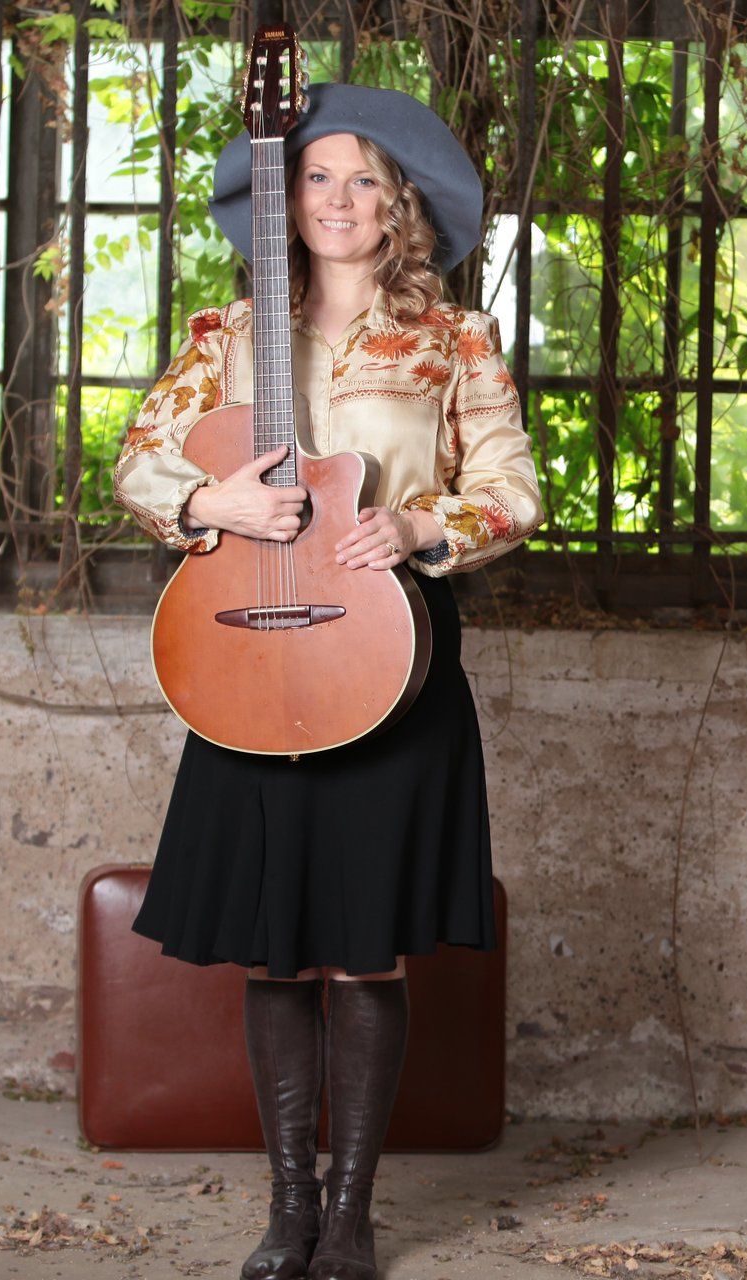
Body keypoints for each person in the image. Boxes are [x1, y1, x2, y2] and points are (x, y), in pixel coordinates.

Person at [110, 83, 543, 1280]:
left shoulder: (452, 340)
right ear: (281, 196)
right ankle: (284, 1206)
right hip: (247, 644)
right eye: (316, 177)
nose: (338, 200)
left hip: (388, 652)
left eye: (363, 179)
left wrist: (414, 525)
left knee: (365, 948)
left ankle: (351, 1211)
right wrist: (217, 500)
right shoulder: (226, 334)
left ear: (397, 201)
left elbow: (516, 486)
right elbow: (139, 463)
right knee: (275, 944)